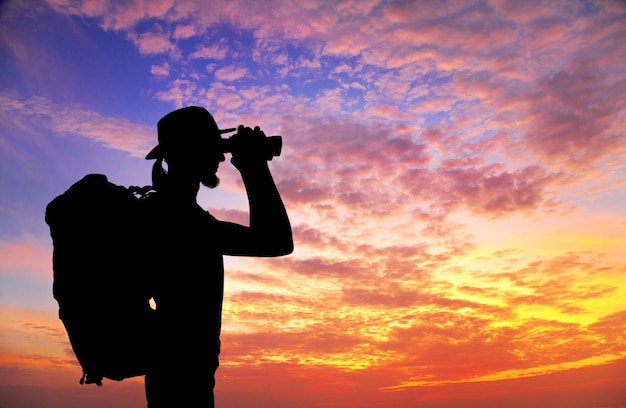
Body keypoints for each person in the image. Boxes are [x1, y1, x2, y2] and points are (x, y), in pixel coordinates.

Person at [143, 106, 293, 407]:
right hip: (182, 380)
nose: (221, 156)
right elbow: (275, 240)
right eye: (213, 148)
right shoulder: (181, 221)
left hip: (174, 373)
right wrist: (253, 166)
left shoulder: (167, 212)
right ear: (190, 152)